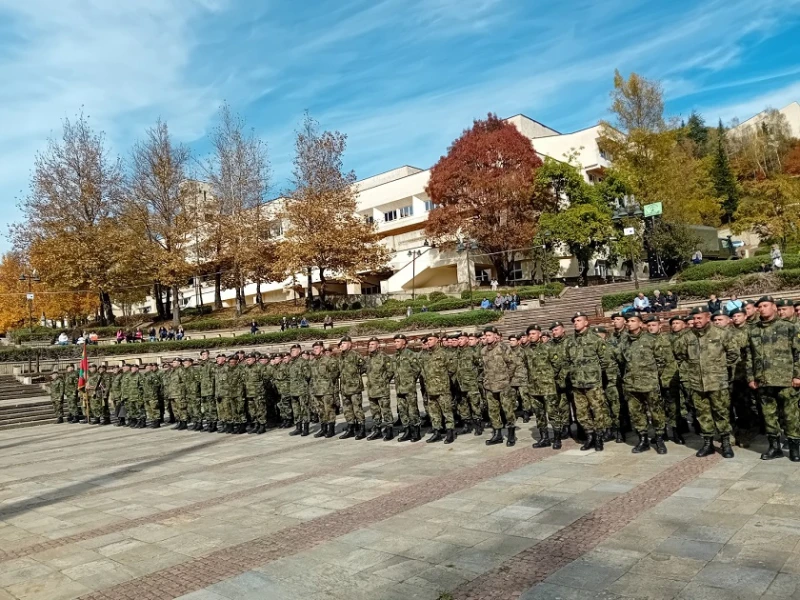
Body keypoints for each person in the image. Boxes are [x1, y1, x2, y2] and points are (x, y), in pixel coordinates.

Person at [673, 306, 739, 458]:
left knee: (721, 413)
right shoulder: (688, 337)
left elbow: (733, 354)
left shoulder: (721, 333)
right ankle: (708, 443)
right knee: (703, 414)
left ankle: (726, 443)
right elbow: (679, 352)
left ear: (707, 317)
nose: (696, 321)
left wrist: (718, 367)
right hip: (697, 383)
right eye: (694, 318)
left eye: (699, 318)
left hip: (717, 382)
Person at [748, 295, 800, 461]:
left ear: (774, 307)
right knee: (769, 415)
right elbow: (749, 355)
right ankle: (774, 447)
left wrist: (797, 375)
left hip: (786, 379)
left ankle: (794, 447)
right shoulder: (754, 329)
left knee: (791, 415)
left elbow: (798, 353)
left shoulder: (788, 327)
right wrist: (751, 377)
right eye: (760, 306)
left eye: (765, 305)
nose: (762, 309)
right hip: (764, 380)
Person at [617, 312, 668, 454]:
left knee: (656, 412)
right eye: (628, 321)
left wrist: (652, 376)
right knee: (636, 413)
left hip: (649, 383)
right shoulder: (624, 341)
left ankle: (659, 439)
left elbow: (661, 361)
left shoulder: (651, 339)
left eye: (633, 320)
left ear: (640, 324)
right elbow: (621, 360)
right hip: (631, 384)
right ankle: (643, 439)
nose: (629, 323)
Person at [564, 312, 612, 452]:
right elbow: (566, 360)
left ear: (586, 322)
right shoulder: (570, 341)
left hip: (593, 382)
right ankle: (589, 435)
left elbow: (605, 360)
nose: (576, 323)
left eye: (579, 320)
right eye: (574, 321)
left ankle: (598, 437)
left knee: (598, 411)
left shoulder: (595, 339)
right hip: (577, 383)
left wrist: (598, 376)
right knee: (581, 413)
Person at [481, 326, 523, 447]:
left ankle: (511, 435)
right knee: (493, 411)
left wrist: (506, 377)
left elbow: (512, 364)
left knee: (508, 410)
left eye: (489, 335)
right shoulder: (483, 350)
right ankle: (497, 434)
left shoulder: (503, 348)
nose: (487, 338)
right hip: (489, 385)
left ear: (495, 336)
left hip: (503, 384)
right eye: (486, 336)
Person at [419, 332, 456, 444]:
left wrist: (442, 380)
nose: (429, 341)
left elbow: (452, 369)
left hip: (442, 388)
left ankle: (450, 432)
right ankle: (437, 432)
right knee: (434, 413)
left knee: (447, 411)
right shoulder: (425, 355)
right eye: (427, 340)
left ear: (437, 340)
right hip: (430, 389)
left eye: (431, 339)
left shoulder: (444, 353)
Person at [364, 337, 395, 440]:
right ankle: (377, 430)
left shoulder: (384, 357)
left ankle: (389, 429)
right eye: (369, 345)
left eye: (373, 344)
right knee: (374, 412)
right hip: (371, 390)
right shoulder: (368, 359)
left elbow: (390, 371)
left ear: (378, 345)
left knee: (386, 410)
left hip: (382, 390)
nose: (370, 346)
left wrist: (384, 381)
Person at [393, 334, 422, 442]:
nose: (396, 343)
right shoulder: (395, 356)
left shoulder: (410, 354)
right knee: (402, 411)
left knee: (412, 411)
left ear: (404, 342)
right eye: (395, 341)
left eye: (398, 341)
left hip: (409, 388)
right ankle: (407, 431)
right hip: (399, 388)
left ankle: (416, 432)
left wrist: (410, 380)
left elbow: (417, 369)